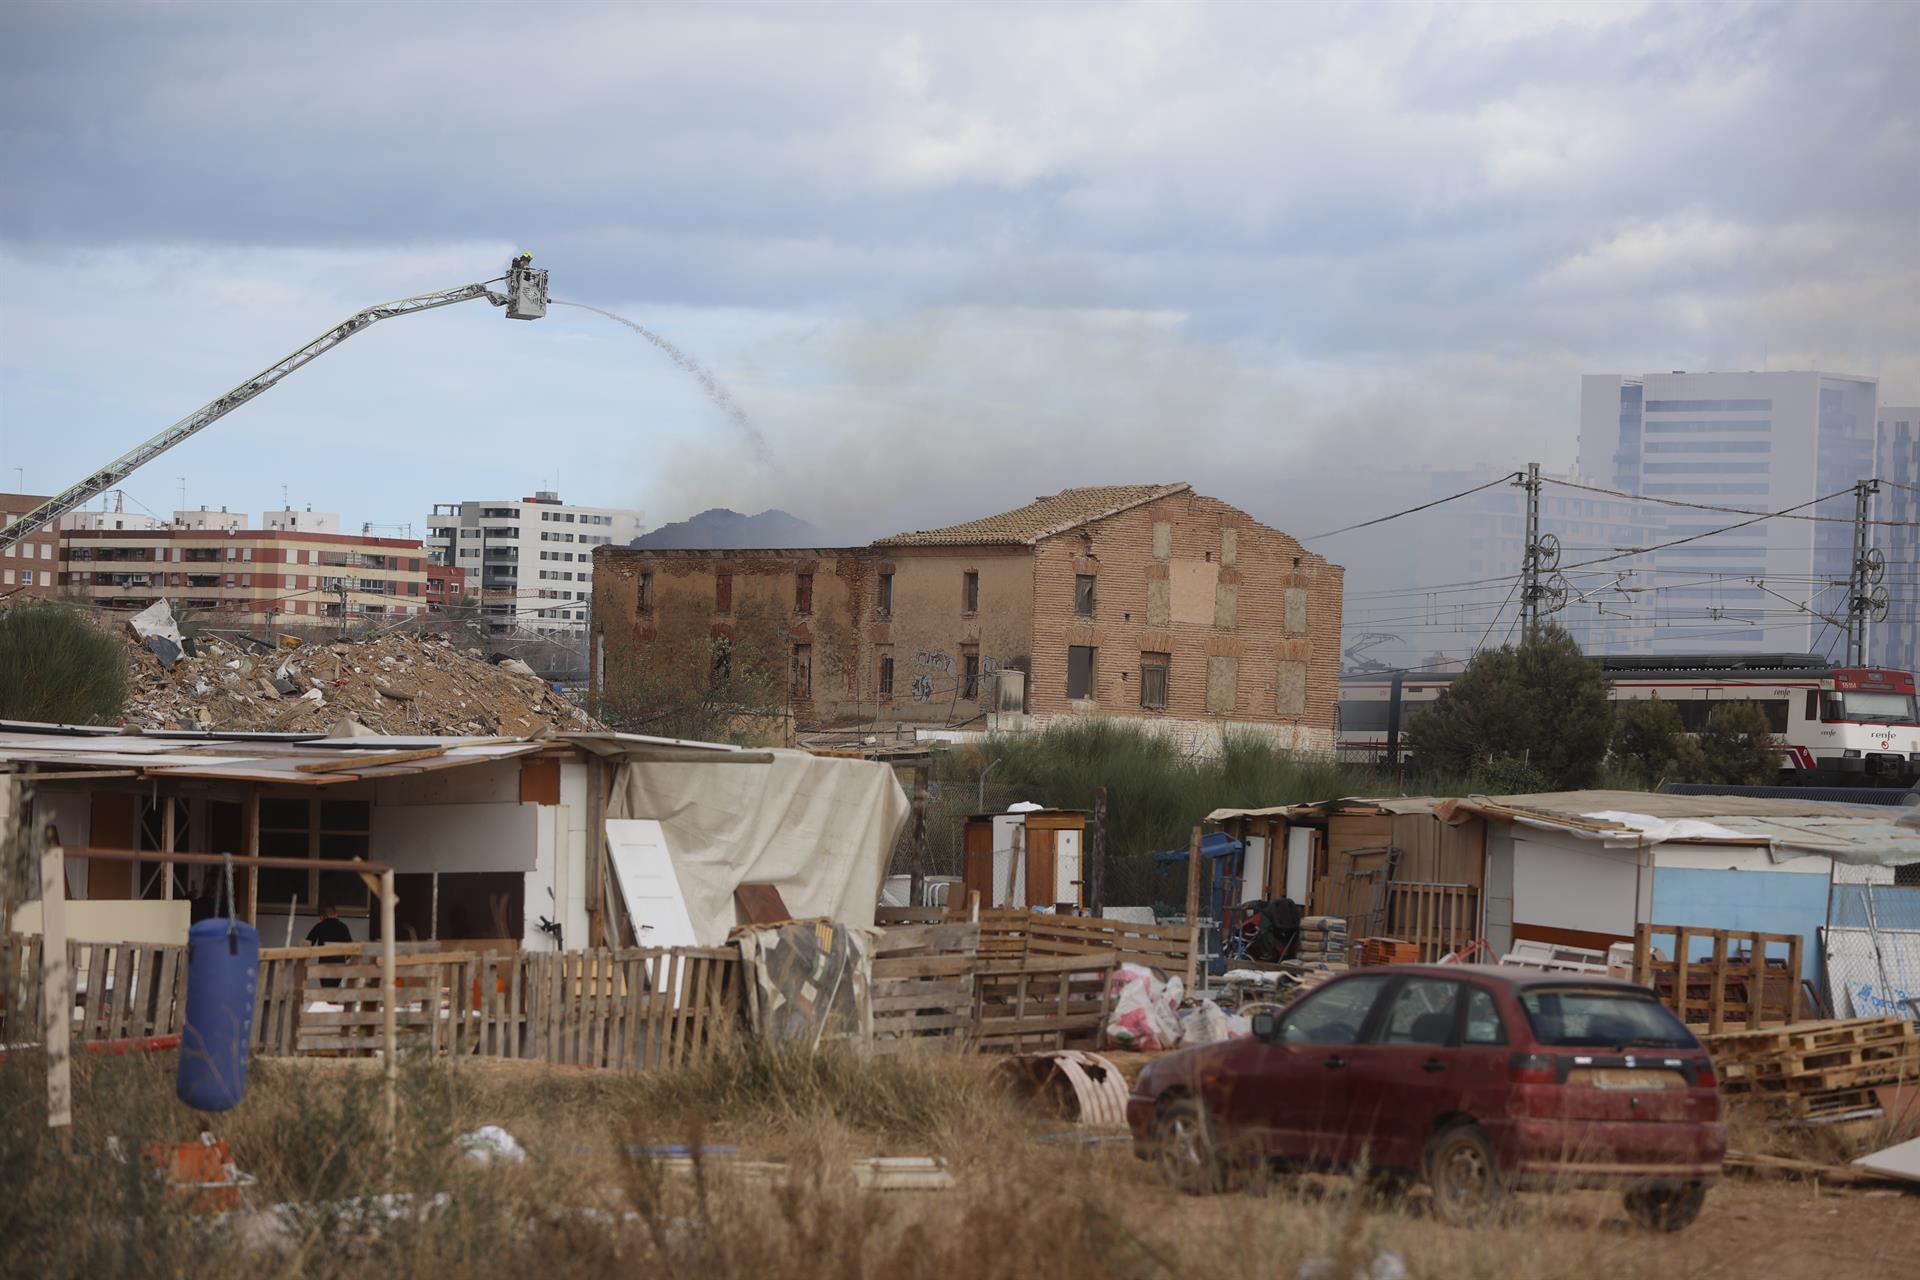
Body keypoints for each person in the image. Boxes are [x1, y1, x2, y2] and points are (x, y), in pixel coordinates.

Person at [305, 904, 353, 988]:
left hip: (325, 963)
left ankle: (329, 1001)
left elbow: (307, 943)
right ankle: (333, 1001)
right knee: (334, 989)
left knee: (326, 989)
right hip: (340, 963)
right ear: (336, 914)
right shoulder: (343, 927)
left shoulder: (319, 926)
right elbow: (351, 946)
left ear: (322, 916)